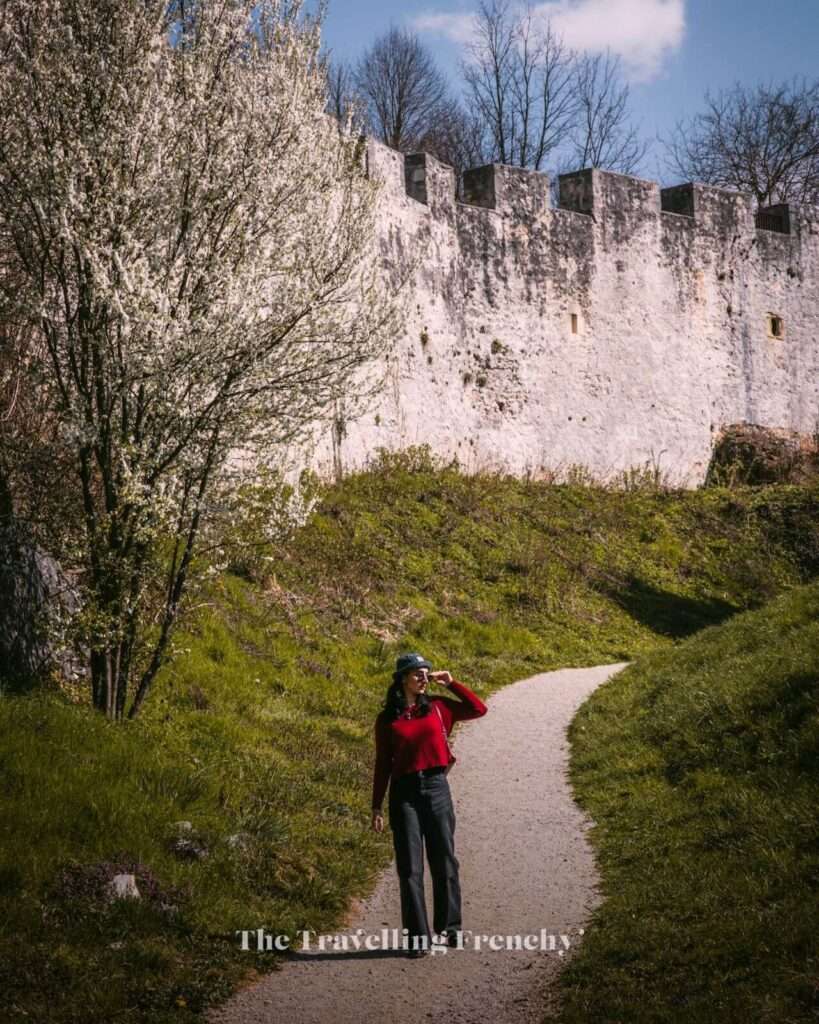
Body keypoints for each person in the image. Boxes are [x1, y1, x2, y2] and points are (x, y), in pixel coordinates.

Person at [371, 652, 488, 958]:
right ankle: (417, 939)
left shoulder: (438, 707)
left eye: (426, 673)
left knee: (444, 860)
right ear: (402, 679)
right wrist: (376, 807)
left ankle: (450, 929)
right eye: (417, 674)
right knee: (410, 868)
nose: (423, 678)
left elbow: (478, 709)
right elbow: (383, 764)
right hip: (404, 794)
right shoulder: (388, 719)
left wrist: (452, 683)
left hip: (436, 788)